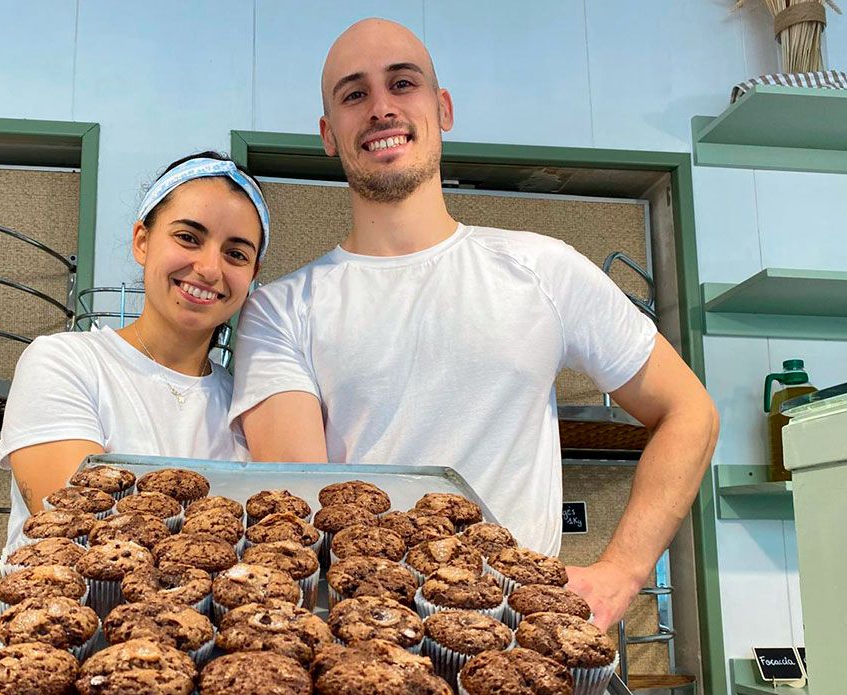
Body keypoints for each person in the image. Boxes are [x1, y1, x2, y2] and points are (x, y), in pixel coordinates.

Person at [229, 19, 719, 629]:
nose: (381, 108)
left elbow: (689, 411)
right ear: (329, 133)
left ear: (443, 108)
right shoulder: (279, 310)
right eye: (354, 94)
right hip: (358, 640)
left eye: (402, 84)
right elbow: (301, 511)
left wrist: (621, 572)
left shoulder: (543, 268)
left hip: (520, 640)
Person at [0, 151, 268, 547]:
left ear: (252, 275)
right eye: (188, 237)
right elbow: (80, 534)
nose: (210, 269)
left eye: (236, 254)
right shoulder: (66, 364)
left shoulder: (247, 405)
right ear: (142, 240)